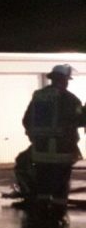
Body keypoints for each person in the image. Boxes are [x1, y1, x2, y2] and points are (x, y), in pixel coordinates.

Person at [15, 64, 84, 207]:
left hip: (40, 151)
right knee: (61, 185)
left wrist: (35, 136)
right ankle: (58, 212)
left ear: (52, 79)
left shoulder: (38, 97)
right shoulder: (70, 100)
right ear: (64, 80)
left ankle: (41, 212)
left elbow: (26, 120)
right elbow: (79, 120)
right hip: (63, 151)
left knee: (43, 184)